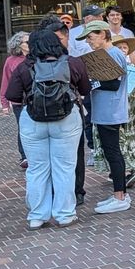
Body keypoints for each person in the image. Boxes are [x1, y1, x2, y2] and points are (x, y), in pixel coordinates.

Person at [5, 28, 90, 228]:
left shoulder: (24, 67)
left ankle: (37, 216)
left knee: (37, 169)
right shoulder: (73, 63)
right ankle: (65, 214)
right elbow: (86, 89)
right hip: (67, 119)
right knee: (65, 168)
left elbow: (13, 96)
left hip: (33, 121)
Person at [78, 20, 132, 215]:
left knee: (114, 153)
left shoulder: (114, 54)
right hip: (104, 112)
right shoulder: (106, 54)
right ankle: (119, 194)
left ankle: (120, 196)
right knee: (111, 153)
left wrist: (90, 81)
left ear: (103, 34)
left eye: (91, 37)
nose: (89, 42)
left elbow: (113, 84)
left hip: (111, 112)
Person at [41, 18, 88, 206]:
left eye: (62, 38)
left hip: (45, 114)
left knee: (64, 156)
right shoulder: (72, 62)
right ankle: (74, 193)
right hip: (69, 113)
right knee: (72, 156)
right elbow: (85, 90)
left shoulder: (34, 64)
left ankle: (72, 192)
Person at [92, 35, 135, 189]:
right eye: (119, 47)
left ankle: (128, 170)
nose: (122, 50)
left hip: (129, 110)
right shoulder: (107, 64)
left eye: (125, 48)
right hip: (113, 110)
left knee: (129, 140)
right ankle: (119, 173)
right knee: (117, 143)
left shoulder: (133, 69)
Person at [0, 31, 30, 169]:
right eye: (26, 42)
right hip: (19, 101)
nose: (29, 44)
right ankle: (24, 156)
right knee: (23, 127)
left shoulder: (34, 57)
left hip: (33, 99)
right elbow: (5, 82)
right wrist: (4, 103)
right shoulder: (11, 61)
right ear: (18, 45)